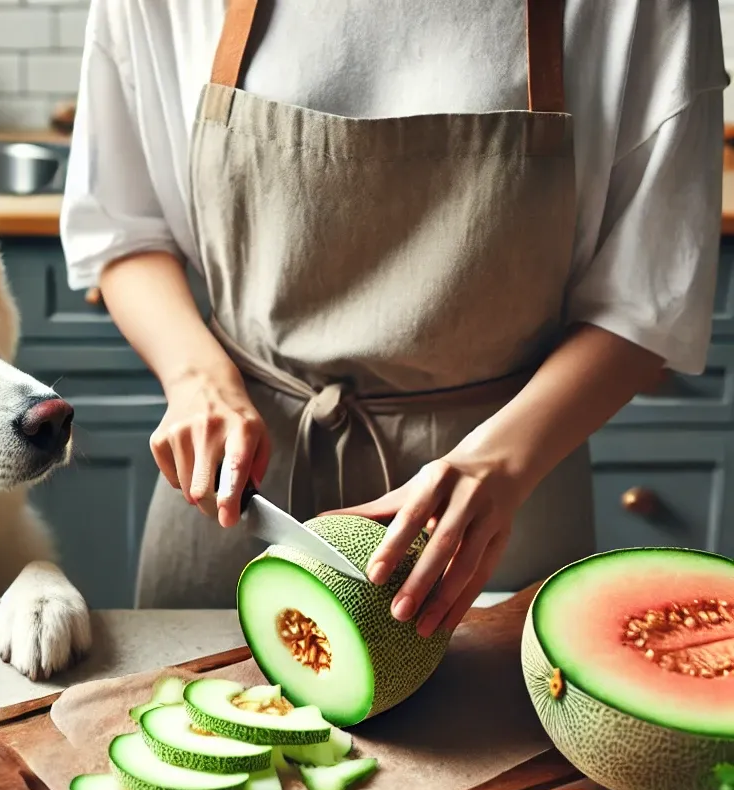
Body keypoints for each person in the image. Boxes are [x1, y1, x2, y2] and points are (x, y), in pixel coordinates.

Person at [60, 0, 727, 633]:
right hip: (238, 491)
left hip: (495, 517)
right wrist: (195, 377)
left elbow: (648, 299)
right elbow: (123, 229)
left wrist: (496, 467)